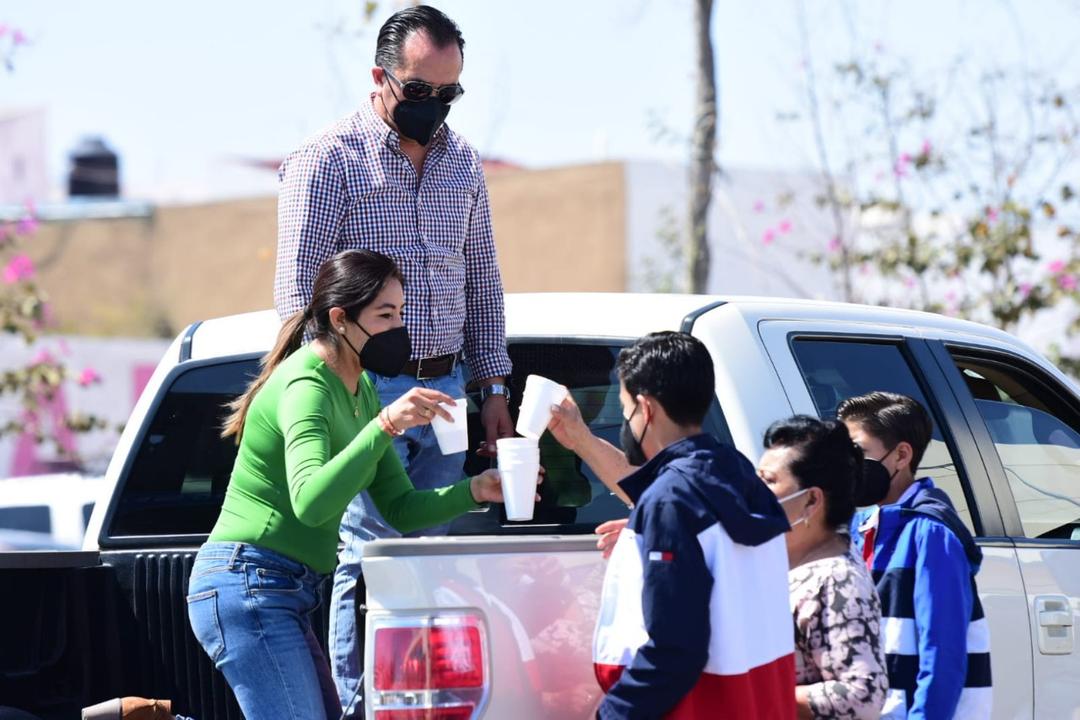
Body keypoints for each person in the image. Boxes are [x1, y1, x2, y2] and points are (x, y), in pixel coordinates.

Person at [273, 7, 513, 712]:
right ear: (380, 77)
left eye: (448, 94)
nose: (433, 107)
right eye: (419, 91)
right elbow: (296, 294)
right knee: (371, 556)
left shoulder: (463, 161)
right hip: (361, 387)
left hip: (445, 389)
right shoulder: (326, 160)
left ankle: (415, 698)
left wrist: (492, 383)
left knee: (420, 557)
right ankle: (363, 703)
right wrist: (329, 392)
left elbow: (484, 280)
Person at [186, 250, 513, 720]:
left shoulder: (357, 391)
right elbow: (311, 503)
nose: (399, 328)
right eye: (385, 315)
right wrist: (384, 426)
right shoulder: (307, 385)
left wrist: (476, 489)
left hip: (285, 591)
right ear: (341, 319)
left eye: (401, 313)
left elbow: (399, 508)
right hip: (249, 582)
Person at [547, 331, 795, 718]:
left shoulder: (672, 499)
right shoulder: (735, 473)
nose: (626, 422)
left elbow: (675, 648)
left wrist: (613, 713)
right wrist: (581, 439)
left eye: (626, 409)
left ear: (646, 409)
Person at [837, 392, 992, 719]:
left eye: (857, 452)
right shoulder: (860, 526)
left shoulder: (931, 534)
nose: (847, 465)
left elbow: (942, 654)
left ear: (901, 455)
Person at [758, 416, 889, 720]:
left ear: (811, 500)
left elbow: (862, 694)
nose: (753, 490)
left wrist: (754, 690)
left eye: (768, 480)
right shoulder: (781, 558)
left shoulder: (837, 579)